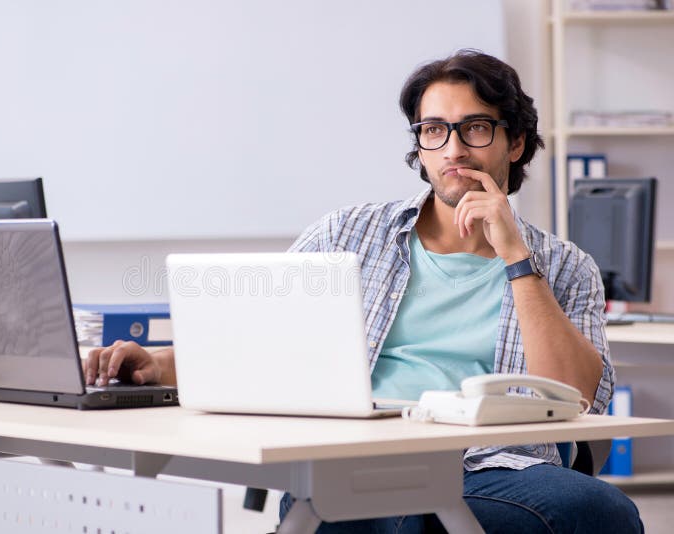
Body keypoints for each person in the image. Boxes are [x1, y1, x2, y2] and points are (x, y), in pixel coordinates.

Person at [84, 50, 643, 533]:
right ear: (420, 147)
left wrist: (517, 260)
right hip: (351, 463)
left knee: (601, 512)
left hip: (498, 470)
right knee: (390, 517)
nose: (453, 149)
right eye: (434, 130)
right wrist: (154, 366)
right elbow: (255, 349)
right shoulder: (346, 236)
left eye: (475, 128)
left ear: (514, 143)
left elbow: (578, 399)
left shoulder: (565, 266)